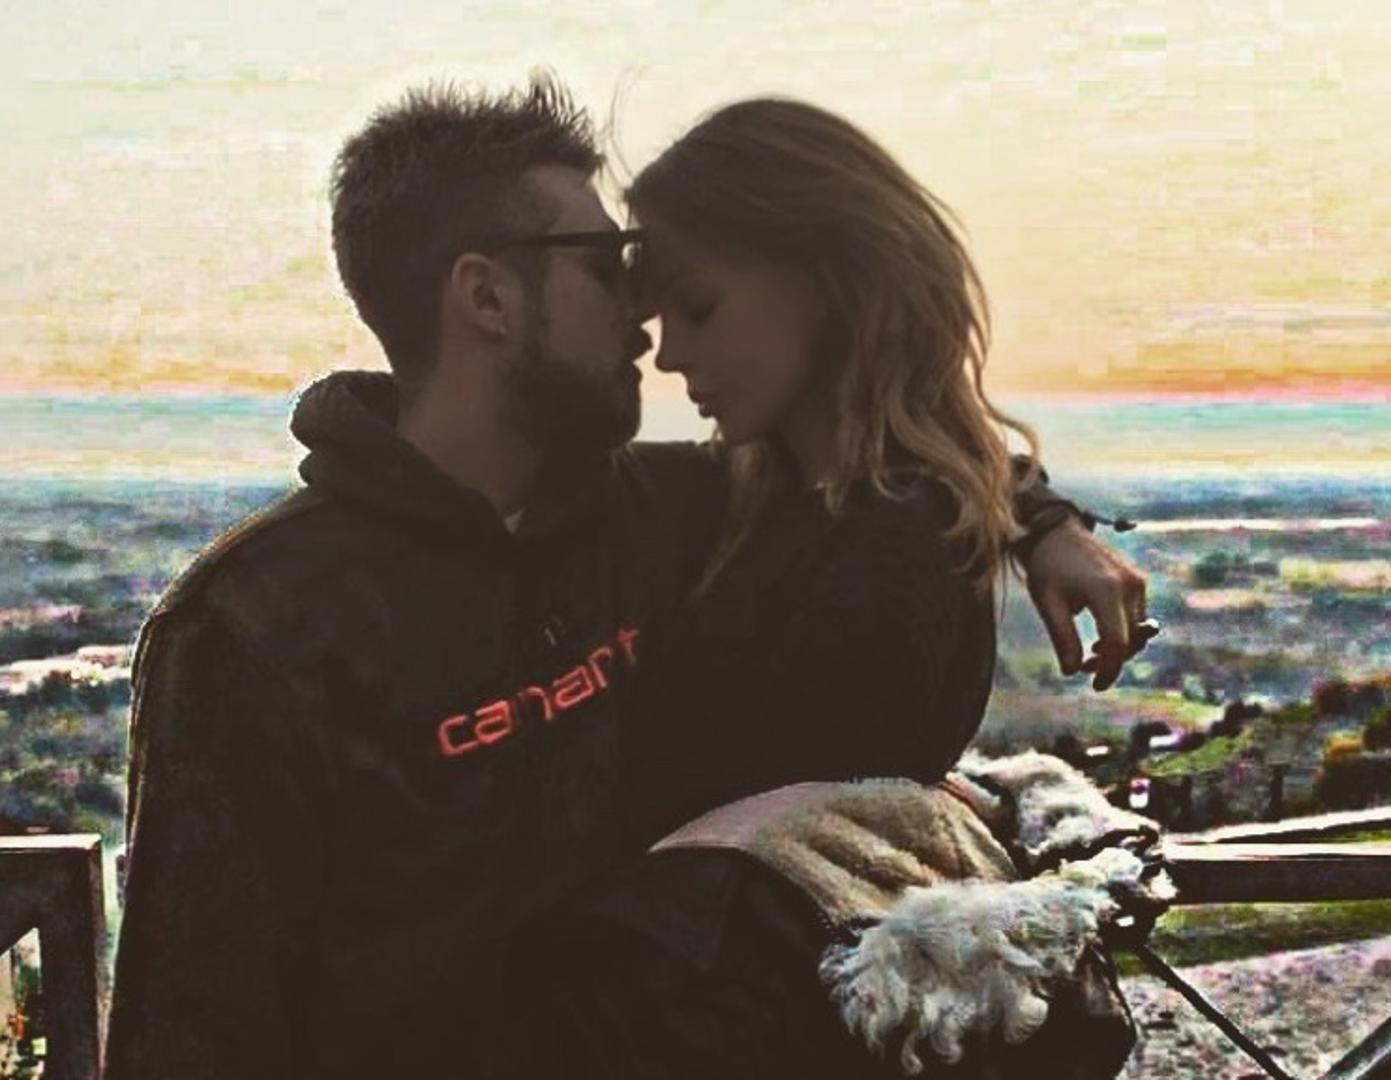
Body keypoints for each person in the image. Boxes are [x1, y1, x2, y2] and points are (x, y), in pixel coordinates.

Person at [103, 76, 1145, 1079]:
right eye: (607, 266)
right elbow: (187, 1034)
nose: (643, 317)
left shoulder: (658, 515)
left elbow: (877, 462)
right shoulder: (258, 627)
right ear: (486, 296)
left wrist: (1041, 522)